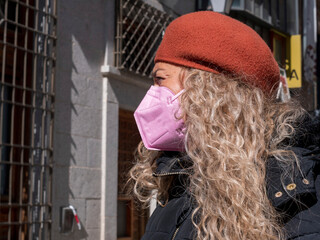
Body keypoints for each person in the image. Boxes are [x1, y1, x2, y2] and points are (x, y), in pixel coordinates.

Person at [129, 11, 320, 240]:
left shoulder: (296, 192)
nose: (152, 93)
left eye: (160, 79)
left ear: (209, 91)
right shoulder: (181, 179)